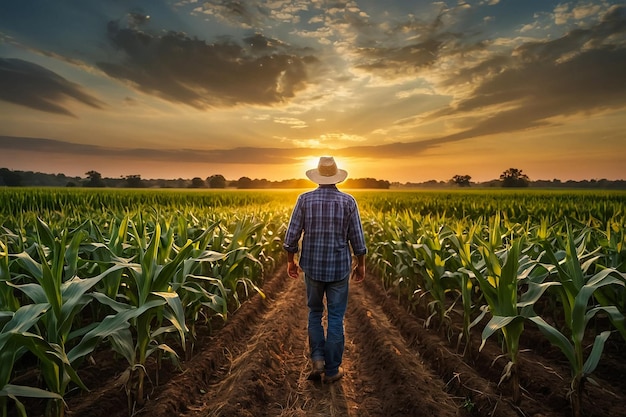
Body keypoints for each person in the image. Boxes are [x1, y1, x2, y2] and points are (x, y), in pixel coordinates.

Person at [283, 156, 367, 383]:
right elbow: (357, 239)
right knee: (336, 317)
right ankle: (332, 370)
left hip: (312, 266)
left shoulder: (304, 199)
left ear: (318, 176)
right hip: (339, 268)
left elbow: (291, 236)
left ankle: (318, 359)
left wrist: (291, 261)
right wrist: (361, 265)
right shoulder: (348, 202)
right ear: (336, 176)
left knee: (315, 313)